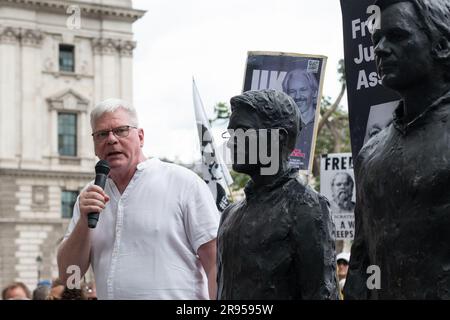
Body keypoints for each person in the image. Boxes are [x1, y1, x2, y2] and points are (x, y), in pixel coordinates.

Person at [57, 98, 219, 300]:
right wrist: (83, 221)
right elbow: (69, 274)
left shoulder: (183, 183)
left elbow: (215, 263)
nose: (111, 139)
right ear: (95, 145)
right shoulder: (89, 196)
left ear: (140, 137)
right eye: (101, 134)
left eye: (121, 130)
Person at [345, 0, 450, 299]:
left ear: (442, 45)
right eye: (376, 40)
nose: (379, 49)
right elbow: (361, 264)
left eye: (397, 36)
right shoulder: (370, 154)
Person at [217, 89, 338, 299]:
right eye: (232, 133)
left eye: (242, 132)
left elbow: (321, 293)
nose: (231, 142)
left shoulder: (306, 207)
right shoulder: (230, 214)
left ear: (277, 139)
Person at [282, 68, 319, 169]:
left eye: (303, 90)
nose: (297, 96)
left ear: (315, 93)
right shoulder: (280, 128)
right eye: (292, 91)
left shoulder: (323, 127)